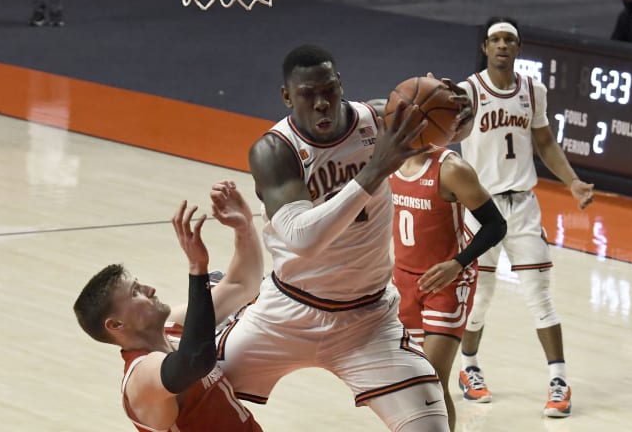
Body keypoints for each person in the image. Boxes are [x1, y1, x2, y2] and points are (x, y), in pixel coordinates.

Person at [213, 43, 472, 432]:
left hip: (367, 320)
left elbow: (443, 131)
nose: (322, 103)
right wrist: (374, 171)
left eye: (329, 89)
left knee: (431, 426)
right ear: (286, 96)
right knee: (193, 390)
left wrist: (457, 112)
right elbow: (303, 238)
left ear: (341, 85)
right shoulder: (274, 151)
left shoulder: (378, 119)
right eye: (308, 93)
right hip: (287, 314)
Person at [448, 17, 595, 418]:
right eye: (495, 39)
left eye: (508, 40)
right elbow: (445, 140)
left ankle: (559, 380)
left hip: (523, 205)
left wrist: (573, 182)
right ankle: (469, 367)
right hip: (481, 207)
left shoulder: (533, 91)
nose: (501, 46)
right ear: (485, 47)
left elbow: (545, 142)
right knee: (480, 298)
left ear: (518, 47)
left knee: (539, 296)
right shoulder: (466, 92)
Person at [73, 181, 264, 432]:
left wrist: (244, 227)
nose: (150, 289)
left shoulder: (175, 326)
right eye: (136, 292)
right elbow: (194, 361)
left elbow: (241, 284)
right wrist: (197, 269)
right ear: (116, 324)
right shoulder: (140, 379)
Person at [386, 143, 507, 431]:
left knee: (432, 379)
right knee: (409, 382)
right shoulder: (387, 159)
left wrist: (457, 263)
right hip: (403, 280)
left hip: (447, 283)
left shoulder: (451, 168)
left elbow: (496, 225)